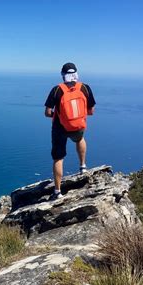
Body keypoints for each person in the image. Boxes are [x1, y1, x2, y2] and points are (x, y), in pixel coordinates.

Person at [44, 63, 96, 200]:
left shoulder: (57, 90)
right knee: (80, 139)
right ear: (76, 74)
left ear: (62, 75)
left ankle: (57, 191)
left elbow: (47, 112)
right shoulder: (85, 88)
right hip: (78, 125)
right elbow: (91, 111)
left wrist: (60, 115)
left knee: (58, 158)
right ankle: (83, 167)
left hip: (59, 128)